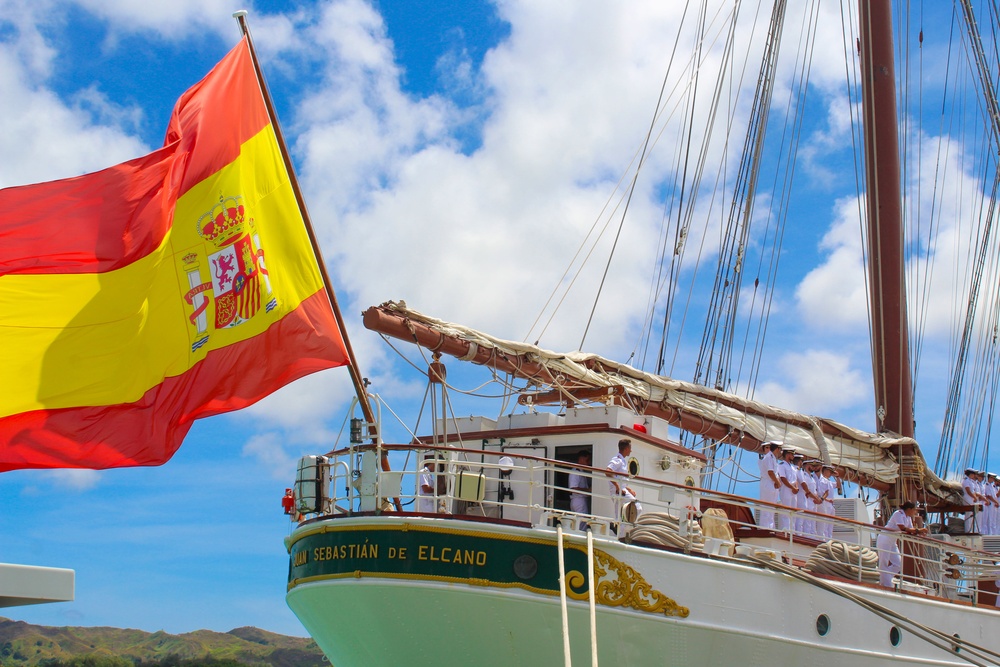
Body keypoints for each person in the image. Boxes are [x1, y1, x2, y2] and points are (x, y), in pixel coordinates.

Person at [876, 501, 927, 588]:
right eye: (914, 510)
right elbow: (903, 528)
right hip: (885, 538)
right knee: (884, 562)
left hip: (892, 541)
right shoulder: (898, 514)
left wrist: (918, 533)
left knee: (898, 564)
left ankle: (884, 578)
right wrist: (919, 530)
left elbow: (910, 531)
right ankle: (886, 584)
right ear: (909, 509)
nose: (915, 512)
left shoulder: (908, 518)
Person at [607, 439, 639, 522]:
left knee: (620, 515)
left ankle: (621, 532)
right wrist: (617, 487)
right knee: (637, 507)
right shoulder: (618, 460)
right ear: (626, 449)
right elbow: (608, 471)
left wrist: (629, 489)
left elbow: (620, 479)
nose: (631, 451)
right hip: (618, 491)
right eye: (630, 448)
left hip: (621, 490)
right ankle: (625, 528)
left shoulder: (622, 461)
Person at [757, 442, 781, 529]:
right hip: (768, 483)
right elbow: (770, 472)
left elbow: (774, 473)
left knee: (771, 509)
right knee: (766, 509)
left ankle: (770, 528)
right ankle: (765, 529)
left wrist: (777, 482)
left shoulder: (772, 458)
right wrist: (777, 482)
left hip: (772, 484)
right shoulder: (768, 458)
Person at [776, 448, 798, 532]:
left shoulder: (792, 467)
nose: (793, 456)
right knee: (786, 511)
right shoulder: (781, 465)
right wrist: (793, 488)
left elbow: (795, 479)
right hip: (786, 490)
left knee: (793, 512)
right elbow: (783, 478)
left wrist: (796, 487)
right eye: (792, 454)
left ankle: (792, 531)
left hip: (793, 490)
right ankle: (787, 531)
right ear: (787, 454)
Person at [568, 450, 592, 515]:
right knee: (581, 523)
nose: (588, 462)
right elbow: (573, 489)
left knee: (578, 523)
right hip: (579, 500)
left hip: (580, 500)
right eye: (587, 459)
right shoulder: (576, 471)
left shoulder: (580, 471)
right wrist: (588, 490)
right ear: (581, 458)